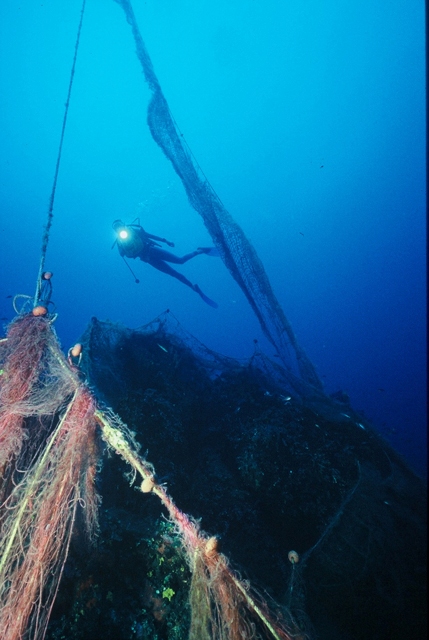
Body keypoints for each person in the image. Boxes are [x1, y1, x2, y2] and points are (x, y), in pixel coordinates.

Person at [112, 220, 218, 307]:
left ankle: (199, 251)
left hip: (152, 250)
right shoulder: (120, 242)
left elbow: (150, 236)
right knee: (173, 273)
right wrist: (121, 251)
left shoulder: (132, 231)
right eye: (116, 228)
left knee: (180, 260)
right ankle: (192, 286)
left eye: (119, 225)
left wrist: (165, 240)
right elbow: (124, 255)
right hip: (149, 260)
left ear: (123, 224)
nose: (118, 228)